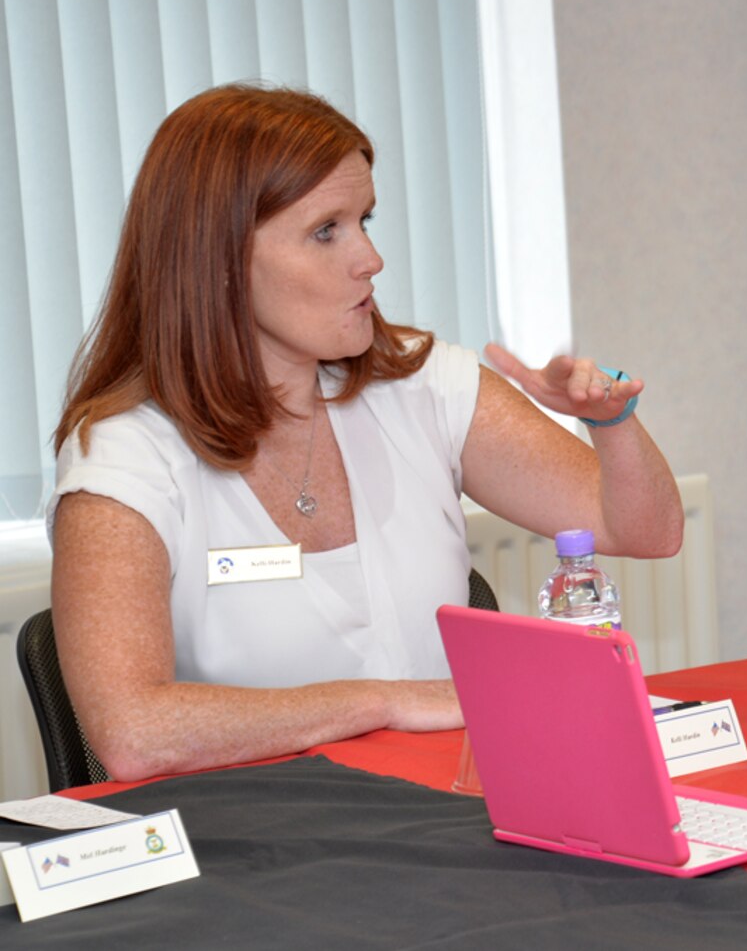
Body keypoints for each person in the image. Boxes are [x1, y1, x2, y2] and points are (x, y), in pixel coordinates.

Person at [47, 84, 684, 781]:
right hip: (261, 835)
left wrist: (609, 422)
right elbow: (133, 732)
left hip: (455, 809)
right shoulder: (125, 457)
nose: (370, 259)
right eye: (327, 231)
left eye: (365, 220)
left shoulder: (422, 384)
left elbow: (647, 531)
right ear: (220, 260)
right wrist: (384, 702)